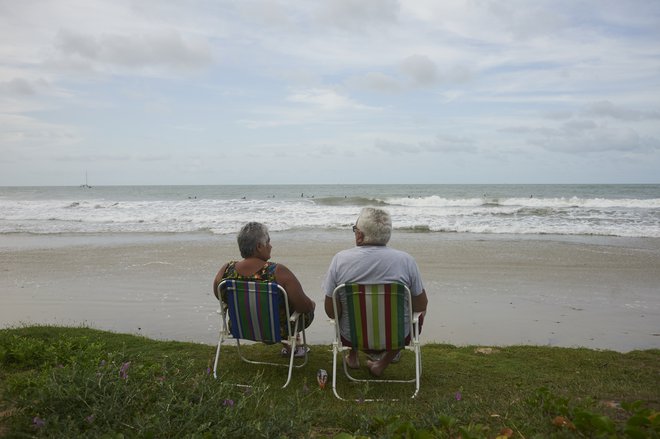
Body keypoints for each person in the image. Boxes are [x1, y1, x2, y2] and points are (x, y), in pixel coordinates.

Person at [322, 207, 428, 376]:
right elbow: (421, 304)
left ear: (360, 235)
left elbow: (331, 312)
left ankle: (353, 354)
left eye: (355, 229)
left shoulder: (340, 260)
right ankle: (382, 363)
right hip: (397, 337)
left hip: (352, 335)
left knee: (344, 307)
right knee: (419, 307)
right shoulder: (406, 261)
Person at [214, 222, 315, 357]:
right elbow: (304, 307)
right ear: (259, 247)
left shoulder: (226, 270)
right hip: (277, 331)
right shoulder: (278, 271)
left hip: (241, 328)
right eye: (268, 242)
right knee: (307, 307)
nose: (271, 246)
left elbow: (219, 296)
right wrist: (312, 304)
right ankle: (293, 345)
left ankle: (289, 344)